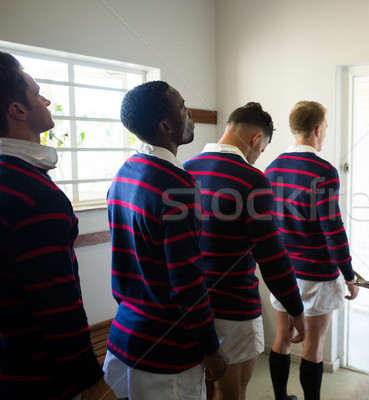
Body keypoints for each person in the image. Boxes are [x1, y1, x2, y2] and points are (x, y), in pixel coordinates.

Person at [0, 51, 116, 399]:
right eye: (37, 93)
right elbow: (57, 304)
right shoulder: (36, 196)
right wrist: (93, 382)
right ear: (18, 110)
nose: (46, 99)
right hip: (40, 377)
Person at [103, 81, 228, 399]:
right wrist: (210, 347)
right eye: (184, 109)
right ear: (165, 126)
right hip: (166, 351)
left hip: (124, 335)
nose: (191, 117)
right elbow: (186, 282)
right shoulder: (178, 185)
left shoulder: (124, 173)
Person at [183, 102, 307, 400]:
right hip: (235, 309)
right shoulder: (252, 180)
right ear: (256, 139)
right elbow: (272, 256)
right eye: (262, 150)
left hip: (192, 307)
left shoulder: (185, 171)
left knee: (203, 392)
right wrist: (296, 308)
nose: (258, 157)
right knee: (232, 394)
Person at [265, 101, 359, 400]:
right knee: (313, 344)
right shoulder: (324, 170)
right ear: (318, 129)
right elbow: (332, 229)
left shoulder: (272, 168)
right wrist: (349, 273)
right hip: (317, 273)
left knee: (281, 337)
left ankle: (281, 398)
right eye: (326, 128)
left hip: (282, 270)